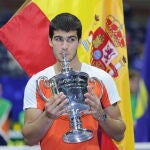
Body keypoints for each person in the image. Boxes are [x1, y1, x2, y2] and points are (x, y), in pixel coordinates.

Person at [22, 13, 126, 150]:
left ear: (79, 41)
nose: (64, 46)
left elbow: (119, 134)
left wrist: (101, 115)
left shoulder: (101, 78)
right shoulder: (37, 82)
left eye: (71, 39)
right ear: (50, 41)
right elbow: (28, 139)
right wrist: (47, 116)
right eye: (59, 39)